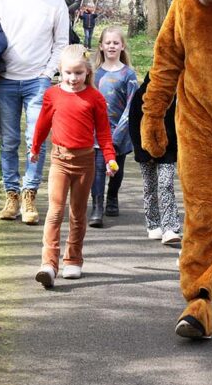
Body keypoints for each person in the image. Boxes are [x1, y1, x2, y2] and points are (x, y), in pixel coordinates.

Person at [0, 0, 69, 224]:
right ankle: (11, 196)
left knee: (36, 141)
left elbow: (61, 43)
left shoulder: (55, 0)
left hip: (36, 83)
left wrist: (46, 74)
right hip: (3, 82)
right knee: (9, 141)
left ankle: (30, 195)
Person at [29, 44, 117, 288]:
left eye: (78, 73)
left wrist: (110, 158)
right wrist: (35, 148)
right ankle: (48, 264)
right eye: (68, 73)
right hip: (59, 160)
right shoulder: (52, 95)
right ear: (60, 71)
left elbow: (104, 132)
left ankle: (73, 260)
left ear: (87, 72)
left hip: (85, 162)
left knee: (78, 214)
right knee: (55, 212)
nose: (73, 78)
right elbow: (43, 125)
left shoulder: (95, 98)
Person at [88, 26, 139, 228]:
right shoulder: (93, 73)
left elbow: (132, 104)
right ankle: (97, 207)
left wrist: (119, 134)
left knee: (116, 167)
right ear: (101, 46)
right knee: (98, 168)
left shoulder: (128, 74)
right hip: (96, 131)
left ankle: (112, 197)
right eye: (108, 43)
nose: (111, 46)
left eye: (115, 43)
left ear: (122, 46)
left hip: (121, 130)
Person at [129, 71, 181, 244]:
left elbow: (178, 124)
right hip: (145, 150)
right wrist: (142, 152)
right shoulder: (140, 95)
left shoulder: (173, 98)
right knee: (150, 187)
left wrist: (176, 150)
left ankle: (170, 227)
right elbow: (134, 125)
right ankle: (153, 224)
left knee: (166, 185)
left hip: (168, 149)